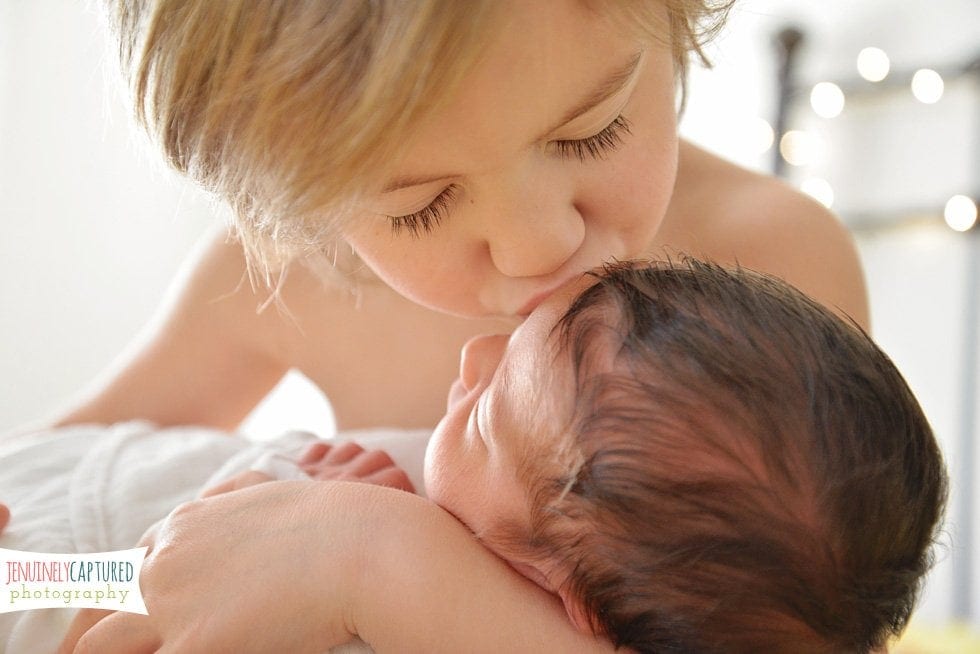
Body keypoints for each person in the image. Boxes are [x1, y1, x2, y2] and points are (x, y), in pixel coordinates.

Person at [7, 0, 870, 647]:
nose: (541, 246)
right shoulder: (279, 273)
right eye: (421, 207)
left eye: (592, 131)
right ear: (301, 210)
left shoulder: (774, 262)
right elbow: (59, 473)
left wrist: (376, 561)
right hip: (125, 569)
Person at [61, 260, 945, 653]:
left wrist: (284, 503)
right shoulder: (515, 515)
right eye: (517, 337)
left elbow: (141, 586)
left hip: (80, 563)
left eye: (484, 419)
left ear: (561, 591)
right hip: (78, 491)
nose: (471, 358)